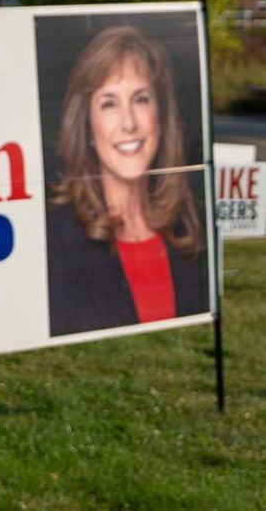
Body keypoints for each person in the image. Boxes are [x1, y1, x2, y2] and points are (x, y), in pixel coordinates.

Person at [45, 24, 208, 336]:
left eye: (141, 99)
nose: (129, 122)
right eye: (109, 103)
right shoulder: (58, 241)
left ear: (160, 115)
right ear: (87, 127)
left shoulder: (189, 229)